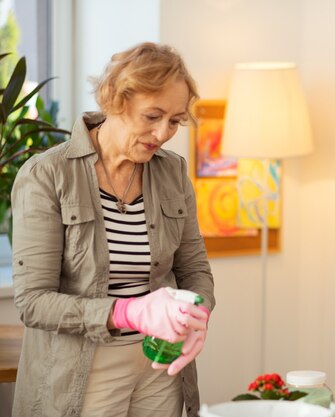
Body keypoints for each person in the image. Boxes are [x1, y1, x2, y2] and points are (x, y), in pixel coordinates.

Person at [11, 42, 215, 417]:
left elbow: (194, 269)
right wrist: (129, 313)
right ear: (114, 101)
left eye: (174, 120)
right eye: (152, 116)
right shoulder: (47, 175)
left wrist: (199, 313)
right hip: (81, 368)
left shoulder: (171, 171)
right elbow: (33, 302)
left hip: (160, 367)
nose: (163, 133)